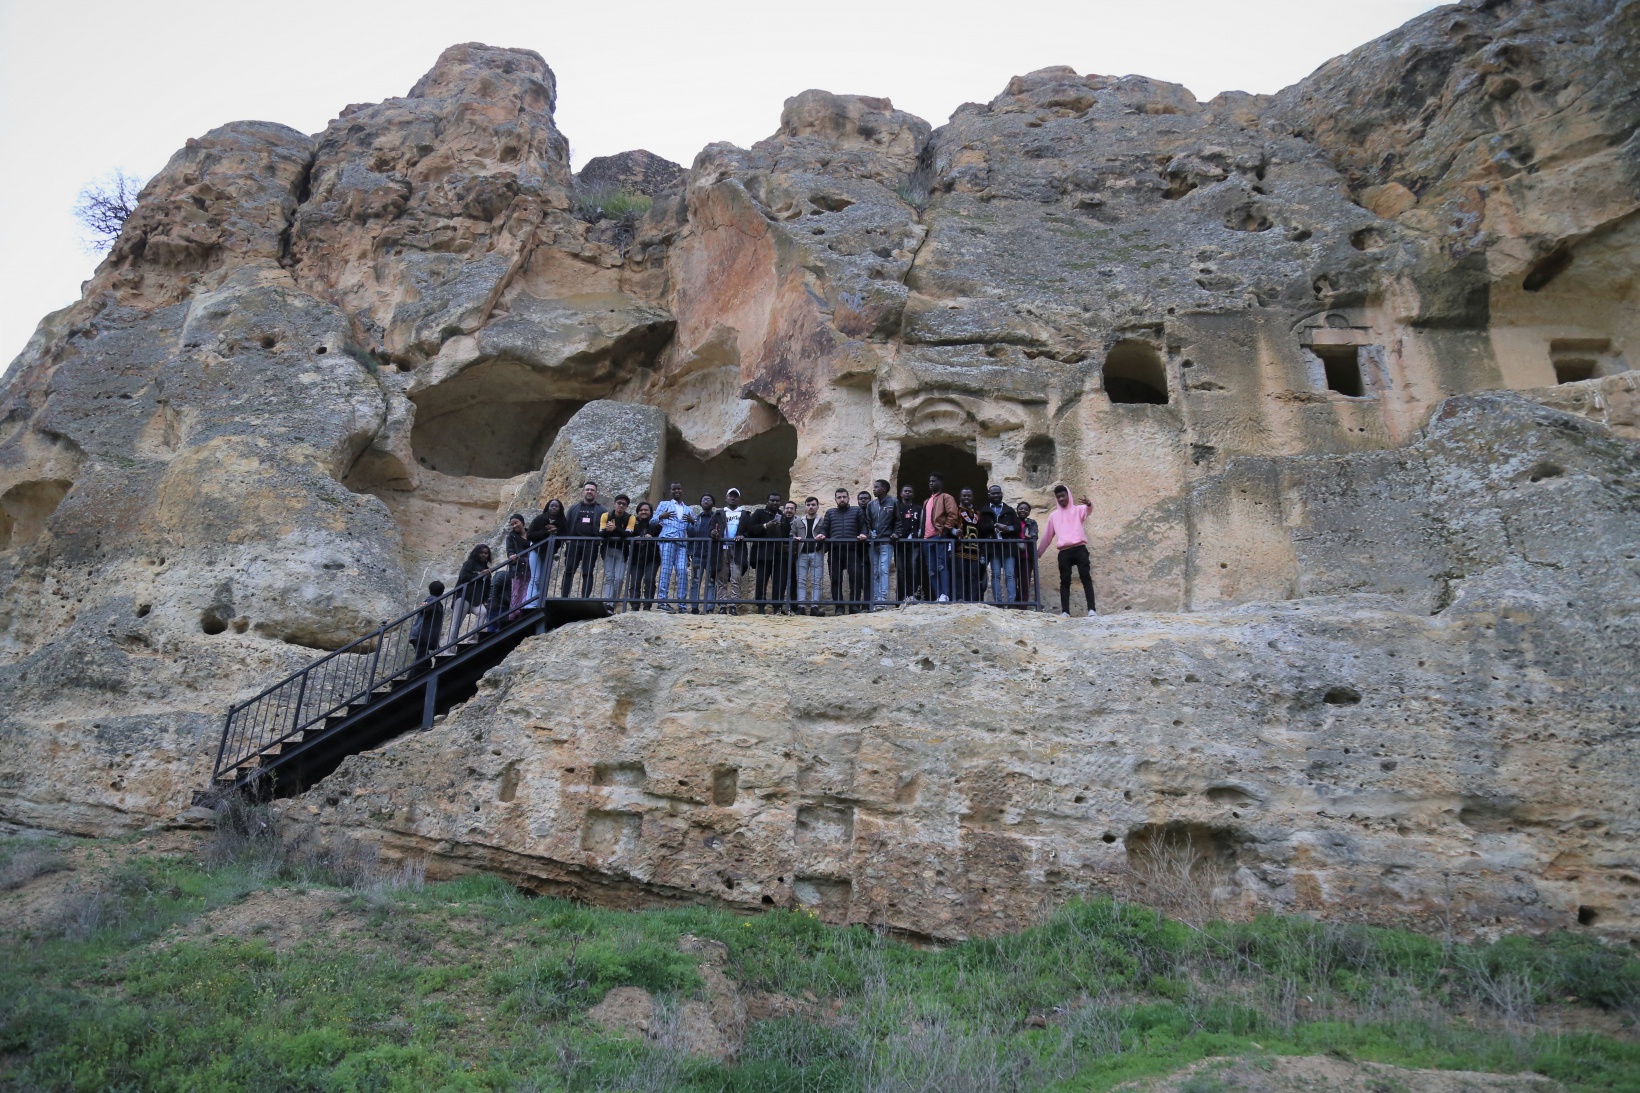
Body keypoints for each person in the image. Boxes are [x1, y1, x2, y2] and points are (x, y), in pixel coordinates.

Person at [1038, 484, 1096, 616]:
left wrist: (1089, 504)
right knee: (1065, 581)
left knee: (1085, 578)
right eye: (1058, 497)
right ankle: (1065, 611)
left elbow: (1088, 510)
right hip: (1064, 552)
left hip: (1079, 549)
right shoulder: (1054, 516)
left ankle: (1092, 609)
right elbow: (1048, 536)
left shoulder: (1078, 510)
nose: (1061, 498)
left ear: (1068, 495)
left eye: (1063, 495)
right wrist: (1039, 552)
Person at [817, 487, 869, 613]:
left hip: (852, 550)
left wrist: (863, 534)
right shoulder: (830, 512)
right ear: (835, 499)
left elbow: (863, 527)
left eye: (844, 497)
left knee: (855, 579)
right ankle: (839, 607)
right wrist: (822, 535)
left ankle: (854, 606)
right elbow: (825, 528)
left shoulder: (857, 511)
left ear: (848, 498)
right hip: (835, 550)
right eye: (839, 497)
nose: (842, 499)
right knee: (835, 580)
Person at [653, 482, 695, 611]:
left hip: (682, 543)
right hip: (667, 540)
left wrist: (692, 521)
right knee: (666, 570)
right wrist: (661, 516)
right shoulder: (664, 504)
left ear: (682, 491)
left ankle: (682, 604)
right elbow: (652, 521)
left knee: (682, 571)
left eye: (679, 489)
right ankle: (662, 601)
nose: (677, 491)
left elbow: (693, 529)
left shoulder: (688, 509)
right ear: (671, 491)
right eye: (674, 489)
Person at [561, 481, 607, 599]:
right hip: (574, 543)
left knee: (588, 571)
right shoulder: (574, 508)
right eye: (587, 489)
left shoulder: (601, 510)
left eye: (592, 490)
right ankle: (564, 596)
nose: (589, 492)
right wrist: (567, 539)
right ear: (583, 492)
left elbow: (605, 526)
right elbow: (567, 523)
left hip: (591, 544)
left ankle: (585, 597)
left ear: (596, 493)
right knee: (569, 571)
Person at [744, 493, 789, 611]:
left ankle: (777, 607)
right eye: (772, 500)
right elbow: (750, 529)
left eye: (777, 501)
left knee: (779, 581)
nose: (775, 503)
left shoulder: (782, 516)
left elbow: (786, 534)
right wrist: (765, 526)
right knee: (761, 581)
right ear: (767, 501)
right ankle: (760, 607)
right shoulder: (760, 513)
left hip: (779, 554)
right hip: (763, 553)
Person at [978, 484, 1022, 605]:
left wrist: (1007, 528)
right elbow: (980, 527)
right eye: (993, 493)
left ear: (1002, 494)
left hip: (1008, 548)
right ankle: (998, 602)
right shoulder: (984, 511)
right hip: (993, 548)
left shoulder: (1009, 510)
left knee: (1010, 575)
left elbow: (1017, 527)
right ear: (989, 495)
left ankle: (1011, 602)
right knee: (995, 575)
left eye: (998, 493)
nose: (996, 495)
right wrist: (994, 526)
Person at [921, 473, 960, 603]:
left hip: (939, 536)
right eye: (929, 481)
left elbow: (953, 514)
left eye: (934, 481)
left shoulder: (946, 497)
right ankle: (938, 594)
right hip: (927, 539)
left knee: (941, 566)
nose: (931, 483)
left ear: (941, 483)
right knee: (931, 569)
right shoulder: (927, 501)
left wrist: (945, 530)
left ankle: (945, 594)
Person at [687, 493, 726, 613]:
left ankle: (709, 608)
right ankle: (694, 607)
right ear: (700, 503)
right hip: (698, 554)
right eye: (703, 499)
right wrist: (689, 552)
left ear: (713, 504)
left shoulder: (716, 518)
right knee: (695, 581)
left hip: (711, 555)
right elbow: (690, 535)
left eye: (708, 499)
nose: (705, 501)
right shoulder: (696, 518)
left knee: (711, 582)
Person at [865, 479, 901, 609]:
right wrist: (869, 533)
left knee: (883, 570)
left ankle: (883, 600)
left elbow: (898, 520)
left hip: (886, 541)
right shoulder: (871, 504)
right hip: (873, 542)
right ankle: (875, 600)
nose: (874, 489)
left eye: (876, 487)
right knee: (874, 571)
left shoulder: (893, 502)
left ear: (884, 489)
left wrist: (896, 533)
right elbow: (868, 521)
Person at [525, 499, 567, 606]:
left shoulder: (562, 522)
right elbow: (529, 535)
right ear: (548, 507)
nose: (554, 508)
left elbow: (564, 536)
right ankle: (530, 603)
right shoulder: (540, 519)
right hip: (536, 549)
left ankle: (539, 602)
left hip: (549, 552)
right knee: (535, 577)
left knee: (544, 578)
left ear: (560, 508)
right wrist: (546, 532)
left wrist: (556, 532)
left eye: (556, 506)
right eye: (552, 505)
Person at [599, 494, 639, 602]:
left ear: (626, 507)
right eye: (619, 503)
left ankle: (614, 602)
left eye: (623, 504)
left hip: (622, 552)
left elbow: (629, 534)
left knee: (619, 578)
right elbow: (601, 533)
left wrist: (615, 528)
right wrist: (609, 530)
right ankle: (609, 602)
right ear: (614, 504)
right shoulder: (605, 516)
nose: (621, 506)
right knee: (609, 577)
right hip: (608, 550)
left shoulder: (630, 518)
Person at [450, 544, 492, 641]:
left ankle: (473, 638)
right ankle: (448, 649)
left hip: (475, 600)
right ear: (476, 553)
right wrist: (479, 574)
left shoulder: (485, 568)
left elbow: (487, 586)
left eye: (486, 553)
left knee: (483, 612)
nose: (483, 555)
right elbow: (464, 576)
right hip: (463, 597)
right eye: (481, 553)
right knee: (456, 624)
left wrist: (485, 599)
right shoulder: (470, 563)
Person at [791, 497, 825, 615]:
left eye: (813, 505)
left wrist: (822, 537)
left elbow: (826, 532)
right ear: (805, 506)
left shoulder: (822, 521)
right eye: (808, 505)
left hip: (817, 552)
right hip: (802, 553)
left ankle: (814, 607)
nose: (811, 507)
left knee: (817, 581)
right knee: (801, 580)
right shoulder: (798, 521)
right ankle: (801, 606)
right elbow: (792, 534)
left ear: (817, 506)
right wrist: (795, 538)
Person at [717, 488, 748, 611]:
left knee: (736, 577)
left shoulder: (744, 514)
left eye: (735, 496)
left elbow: (748, 531)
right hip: (722, 548)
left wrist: (743, 536)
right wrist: (714, 534)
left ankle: (733, 605)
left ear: (738, 499)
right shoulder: (719, 513)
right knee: (722, 578)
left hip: (737, 549)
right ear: (726, 498)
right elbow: (711, 529)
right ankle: (722, 605)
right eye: (731, 496)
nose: (733, 498)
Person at [953, 488, 985, 602]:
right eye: (964, 495)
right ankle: (960, 598)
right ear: (960, 497)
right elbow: (950, 527)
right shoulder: (955, 511)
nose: (966, 498)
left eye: (969, 496)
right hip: (960, 549)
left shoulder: (977, 513)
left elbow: (981, 531)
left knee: (974, 576)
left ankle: (974, 599)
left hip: (975, 550)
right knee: (960, 574)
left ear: (972, 497)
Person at [628, 501, 661, 609]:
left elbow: (660, 539)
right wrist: (634, 539)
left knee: (649, 580)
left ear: (651, 512)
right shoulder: (633, 525)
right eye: (641, 510)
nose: (643, 512)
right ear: (637, 512)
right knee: (635, 581)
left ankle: (647, 605)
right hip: (636, 557)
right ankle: (634, 604)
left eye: (646, 510)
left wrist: (651, 539)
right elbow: (627, 537)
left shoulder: (656, 526)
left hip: (652, 557)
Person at [408, 580, 446, 669]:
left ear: (429, 590)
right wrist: (425, 608)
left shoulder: (433, 600)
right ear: (442, 592)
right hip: (422, 635)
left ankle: (416, 677)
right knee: (421, 660)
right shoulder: (432, 600)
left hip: (421, 634)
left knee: (424, 660)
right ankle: (412, 679)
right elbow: (426, 609)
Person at [895, 484, 923, 602]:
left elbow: (921, 525)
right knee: (901, 570)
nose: (907, 493)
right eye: (905, 491)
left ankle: (913, 595)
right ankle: (901, 597)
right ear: (901, 494)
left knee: (913, 567)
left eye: (910, 491)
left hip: (914, 544)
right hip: (900, 544)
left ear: (913, 494)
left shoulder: (918, 509)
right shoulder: (897, 508)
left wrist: (917, 535)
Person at [502, 513, 531, 619]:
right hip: (518, 568)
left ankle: (523, 612)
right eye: (512, 524)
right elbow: (510, 549)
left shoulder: (531, 533)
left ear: (522, 522)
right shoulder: (511, 536)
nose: (514, 526)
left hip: (531, 567)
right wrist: (511, 556)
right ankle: (513, 616)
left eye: (516, 523)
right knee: (516, 592)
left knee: (528, 591)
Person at [1015, 501, 1039, 605]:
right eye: (1021, 508)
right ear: (1017, 510)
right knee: (1012, 579)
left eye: (1025, 509)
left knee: (1025, 581)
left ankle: (1023, 604)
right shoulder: (1013, 521)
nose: (1023, 510)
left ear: (1029, 512)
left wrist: (1031, 536)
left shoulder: (1032, 522)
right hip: (1014, 556)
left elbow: (1034, 534)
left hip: (1027, 556)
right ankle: (1015, 602)